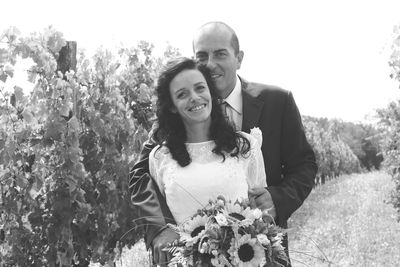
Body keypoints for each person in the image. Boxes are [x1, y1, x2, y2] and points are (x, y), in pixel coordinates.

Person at [129, 21, 317, 266]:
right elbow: (140, 173)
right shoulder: (179, 113)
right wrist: (159, 228)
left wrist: (277, 199)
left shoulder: (277, 102)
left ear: (238, 58)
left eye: (220, 54)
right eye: (202, 56)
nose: (210, 63)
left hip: (254, 254)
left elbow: (304, 164)